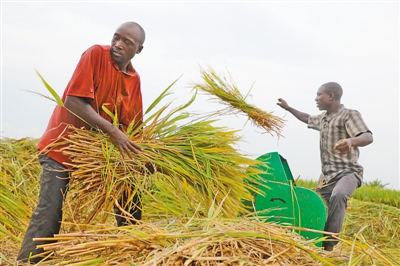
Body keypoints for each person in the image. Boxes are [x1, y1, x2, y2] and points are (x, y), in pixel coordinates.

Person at [17, 21, 146, 263]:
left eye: (127, 42)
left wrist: (146, 155)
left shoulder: (134, 79)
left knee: (130, 194)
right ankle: (28, 262)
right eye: (116, 38)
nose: (117, 44)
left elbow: (134, 125)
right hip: (62, 147)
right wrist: (112, 131)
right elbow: (74, 101)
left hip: (95, 155)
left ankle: (134, 253)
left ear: (138, 50)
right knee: (50, 211)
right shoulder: (96, 54)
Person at [277, 82, 373, 251]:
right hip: (327, 178)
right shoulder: (323, 118)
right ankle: (307, 242)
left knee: (339, 194)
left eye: (319, 94)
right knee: (312, 204)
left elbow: (367, 136)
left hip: (348, 173)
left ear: (330, 96)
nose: (316, 98)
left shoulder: (348, 115)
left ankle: (329, 246)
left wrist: (351, 141)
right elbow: (306, 117)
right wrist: (288, 108)